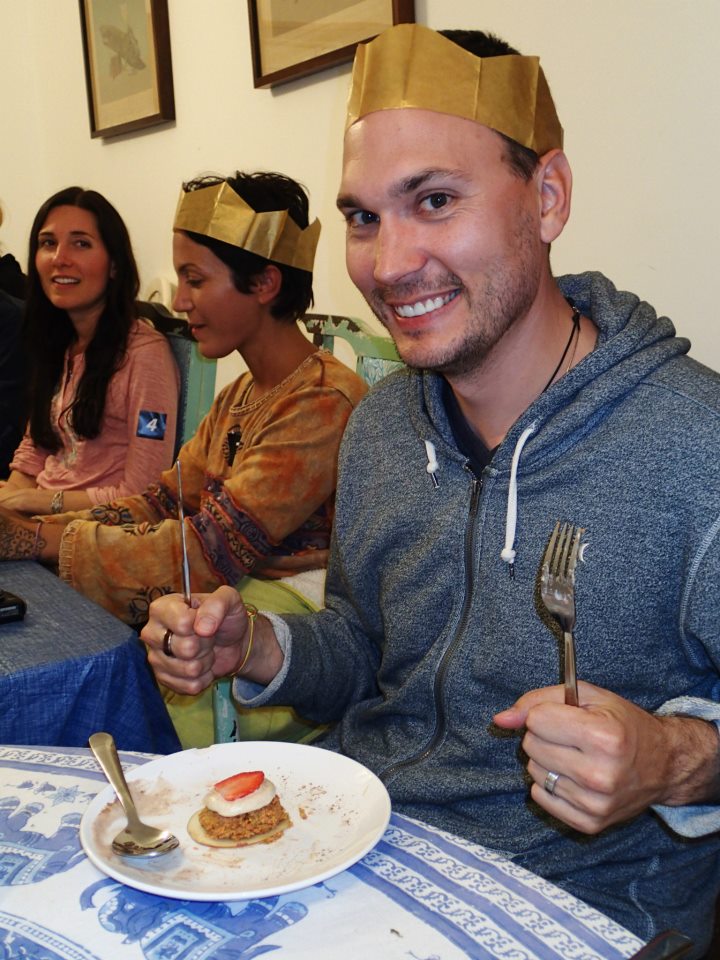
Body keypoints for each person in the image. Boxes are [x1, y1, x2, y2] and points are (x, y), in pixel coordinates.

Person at [140, 25, 720, 957]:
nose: (389, 263)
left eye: (435, 201)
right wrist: (261, 645)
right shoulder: (381, 426)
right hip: (357, 859)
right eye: (364, 218)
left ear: (548, 196)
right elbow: (369, 650)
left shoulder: (696, 444)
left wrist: (674, 760)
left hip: (576, 912)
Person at [0, 170, 367, 748]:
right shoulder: (239, 395)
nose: (177, 301)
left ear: (264, 282)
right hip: (229, 591)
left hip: (291, 621)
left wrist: (37, 540)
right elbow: (162, 500)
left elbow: (207, 551)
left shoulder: (322, 401)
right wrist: (36, 524)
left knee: (120, 669)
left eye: (195, 279)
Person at [0, 186, 179, 514]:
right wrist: (11, 501)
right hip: (37, 518)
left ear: (115, 265)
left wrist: (41, 501)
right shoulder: (58, 342)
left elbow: (144, 494)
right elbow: (35, 449)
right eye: (48, 243)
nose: (60, 258)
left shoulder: (145, 355)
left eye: (81, 243)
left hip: (92, 532)